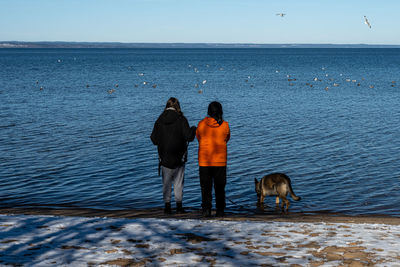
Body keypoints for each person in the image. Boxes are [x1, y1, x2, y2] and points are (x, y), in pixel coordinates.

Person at [151, 97, 196, 214]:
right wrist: (193, 129)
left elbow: (154, 139)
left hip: (164, 157)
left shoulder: (159, 120)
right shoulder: (181, 119)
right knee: (178, 182)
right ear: (178, 106)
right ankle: (179, 207)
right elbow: (188, 137)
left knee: (166, 183)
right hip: (179, 156)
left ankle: (167, 207)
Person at [196, 101, 230, 217]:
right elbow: (227, 138)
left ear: (209, 112)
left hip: (204, 161)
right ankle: (220, 211)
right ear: (220, 111)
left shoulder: (201, 124)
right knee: (220, 188)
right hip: (220, 161)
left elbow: (198, 137)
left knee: (206, 188)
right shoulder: (225, 125)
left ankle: (206, 210)